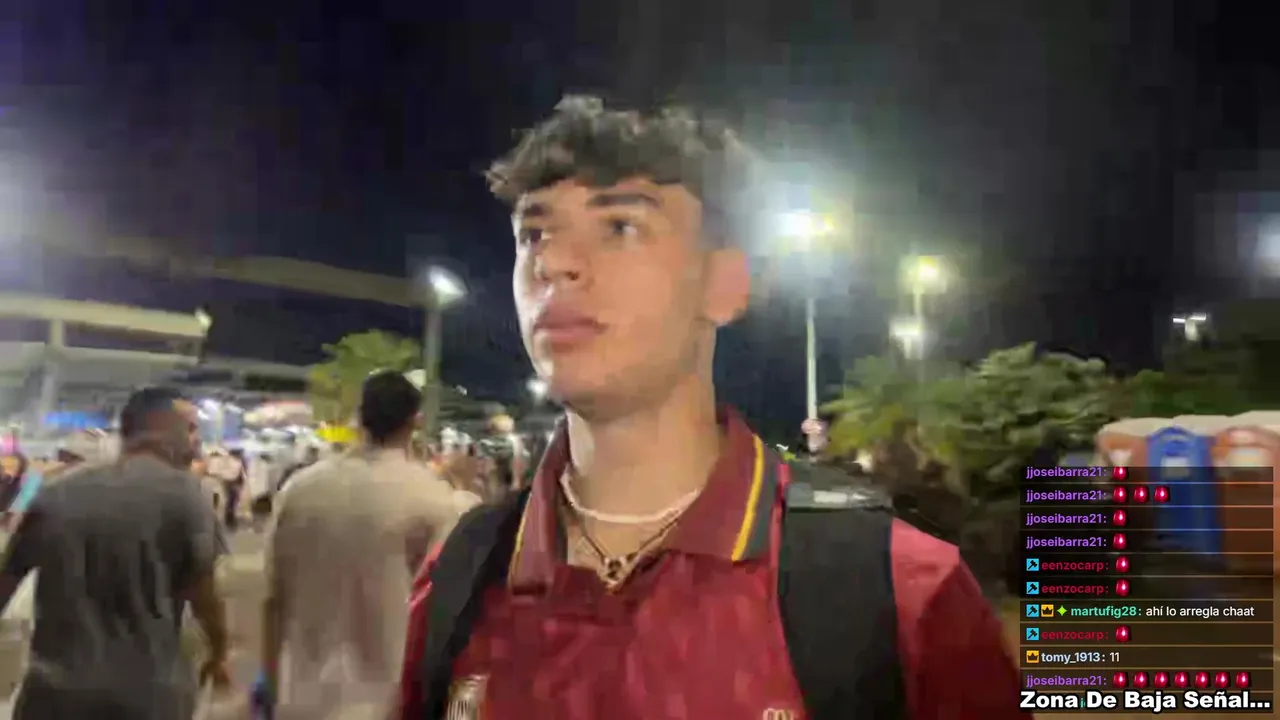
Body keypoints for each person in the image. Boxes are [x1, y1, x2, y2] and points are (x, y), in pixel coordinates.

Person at [397, 97, 1027, 719]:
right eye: (534, 233)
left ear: (726, 284)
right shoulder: (461, 575)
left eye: (620, 227)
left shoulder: (899, 590)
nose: (553, 262)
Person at [253, 371, 477, 719]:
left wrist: (268, 680)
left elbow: (273, 598)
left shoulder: (300, 489)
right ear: (414, 422)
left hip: (301, 697)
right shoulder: (431, 499)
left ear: (358, 417)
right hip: (385, 702)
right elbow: (445, 615)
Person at [0, 387, 231, 719]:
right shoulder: (189, 495)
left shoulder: (52, 492)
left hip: (53, 694)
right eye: (192, 429)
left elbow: (6, 581)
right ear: (160, 430)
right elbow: (205, 595)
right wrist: (219, 650)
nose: (198, 442)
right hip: (145, 695)